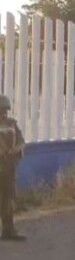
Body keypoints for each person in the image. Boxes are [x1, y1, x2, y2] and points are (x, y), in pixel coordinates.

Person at [0, 94, 26, 241]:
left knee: (8, 198)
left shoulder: (12, 124)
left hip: (9, 167)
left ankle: (8, 230)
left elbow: (21, 142)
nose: (3, 112)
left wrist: (15, 150)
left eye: (4, 109)